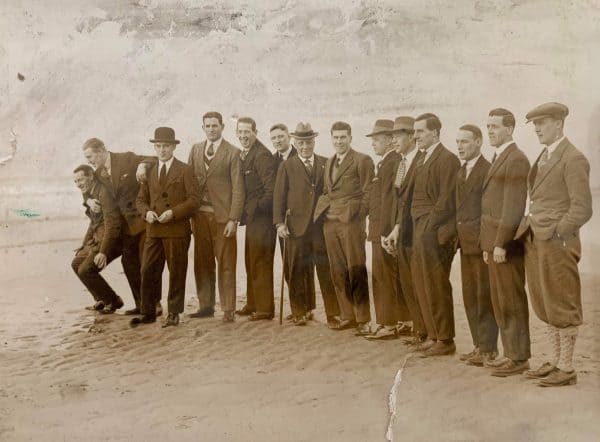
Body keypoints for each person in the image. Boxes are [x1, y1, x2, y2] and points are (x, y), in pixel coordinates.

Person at [516, 102, 592, 387]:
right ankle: (556, 360)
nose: (536, 128)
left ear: (559, 123)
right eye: (534, 124)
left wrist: (559, 233)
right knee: (545, 301)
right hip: (537, 240)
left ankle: (567, 367)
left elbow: (582, 208)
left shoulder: (573, 158)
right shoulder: (546, 155)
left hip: (557, 243)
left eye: (542, 123)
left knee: (563, 301)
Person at [82, 138, 161, 316]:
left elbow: (153, 159)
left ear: (102, 150)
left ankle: (155, 304)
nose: (89, 161)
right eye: (87, 159)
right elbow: (86, 187)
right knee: (128, 263)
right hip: (124, 227)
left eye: (90, 156)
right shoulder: (98, 173)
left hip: (141, 221)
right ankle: (141, 304)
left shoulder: (125, 158)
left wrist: (142, 166)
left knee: (147, 263)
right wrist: (88, 199)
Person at [131, 127, 200, 328]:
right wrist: (146, 213)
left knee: (176, 271)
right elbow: (140, 200)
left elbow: (194, 200)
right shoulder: (149, 170)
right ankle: (148, 312)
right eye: (158, 146)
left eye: (166, 146)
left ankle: (174, 313)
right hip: (154, 229)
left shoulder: (185, 169)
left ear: (173, 147)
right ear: (154, 147)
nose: (162, 150)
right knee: (147, 270)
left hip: (177, 229)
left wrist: (173, 213)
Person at [273, 122, 340, 327]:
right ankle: (300, 311)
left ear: (313, 141)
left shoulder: (325, 163)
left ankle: (333, 314)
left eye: (308, 142)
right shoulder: (287, 165)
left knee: (325, 269)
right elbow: (279, 197)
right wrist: (279, 224)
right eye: (301, 142)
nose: (304, 146)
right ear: (295, 142)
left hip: (320, 226)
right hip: (294, 226)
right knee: (296, 270)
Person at [481, 108, 531, 377]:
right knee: (500, 299)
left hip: (506, 244)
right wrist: (488, 245)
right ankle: (511, 353)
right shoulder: (500, 156)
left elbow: (512, 207)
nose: (490, 130)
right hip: (494, 242)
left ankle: (519, 357)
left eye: (495, 126)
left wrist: (500, 244)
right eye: (488, 126)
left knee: (511, 299)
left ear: (510, 129)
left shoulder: (516, 159)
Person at [314, 121, 374, 335]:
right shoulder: (329, 162)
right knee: (338, 271)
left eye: (343, 137)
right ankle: (347, 315)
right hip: (330, 223)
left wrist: (356, 217)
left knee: (356, 269)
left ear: (350, 138)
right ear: (331, 138)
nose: (339, 141)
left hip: (350, 225)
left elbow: (369, 194)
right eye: (335, 138)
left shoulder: (362, 160)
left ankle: (363, 319)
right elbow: (326, 192)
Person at [410, 113, 460, 357]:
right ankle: (433, 335)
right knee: (422, 282)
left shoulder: (447, 159)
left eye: (420, 131)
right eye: (415, 131)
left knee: (436, 284)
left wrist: (427, 228)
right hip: (422, 229)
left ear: (435, 133)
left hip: (435, 231)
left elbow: (446, 201)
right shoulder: (423, 158)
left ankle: (445, 339)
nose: (416, 136)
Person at [187, 112, 245, 323]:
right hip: (199, 217)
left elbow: (238, 189)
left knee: (226, 263)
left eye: (215, 125)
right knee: (202, 263)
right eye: (207, 126)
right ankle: (206, 306)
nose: (211, 129)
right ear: (203, 128)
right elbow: (189, 184)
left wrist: (233, 219)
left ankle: (228, 308)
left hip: (223, 219)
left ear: (222, 126)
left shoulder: (233, 152)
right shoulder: (195, 150)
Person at [454, 125, 498, 366]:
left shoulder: (486, 170)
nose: (460, 146)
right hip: (464, 243)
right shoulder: (461, 171)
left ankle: (489, 348)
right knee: (470, 294)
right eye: (458, 142)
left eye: (466, 142)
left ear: (479, 142)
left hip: (480, 243)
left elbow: (488, 211)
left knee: (484, 295)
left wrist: (486, 244)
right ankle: (478, 345)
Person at [364, 120, 410, 340]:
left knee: (383, 277)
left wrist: (383, 232)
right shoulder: (388, 162)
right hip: (384, 229)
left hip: (383, 230)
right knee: (393, 275)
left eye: (376, 139)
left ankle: (387, 323)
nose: (373, 144)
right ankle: (402, 320)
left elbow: (389, 200)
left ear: (389, 139)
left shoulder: (390, 162)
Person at [384, 116, 427, 346]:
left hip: (417, 232)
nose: (393, 140)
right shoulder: (400, 162)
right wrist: (395, 229)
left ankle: (427, 332)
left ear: (412, 136)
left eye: (398, 135)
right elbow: (399, 201)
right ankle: (419, 331)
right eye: (391, 136)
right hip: (402, 232)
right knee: (408, 284)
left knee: (420, 284)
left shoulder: (421, 160)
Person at [235, 117, 278, 321]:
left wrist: (253, 208)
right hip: (253, 220)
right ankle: (253, 304)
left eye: (247, 132)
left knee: (260, 261)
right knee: (251, 260)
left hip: (263, 220)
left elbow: (272, 191)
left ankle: (265, 309)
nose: (244, 136)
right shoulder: (247, 154)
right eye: (240, 132)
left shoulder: (261, 155)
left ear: (255, 132)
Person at [71, 165, 123, 313]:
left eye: (80, 179)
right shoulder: (89, 193)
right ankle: (100, 299)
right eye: (75, 181)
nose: (78, 184)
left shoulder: (103, 193)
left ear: (91, 176)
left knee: (86, 270)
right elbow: (93, 223)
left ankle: (113, 301)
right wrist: (84, 245)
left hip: (112, 240)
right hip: (99, 238)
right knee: (76, 263)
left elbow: (112, 225)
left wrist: (103, 251)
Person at [270, 123, 297, 262]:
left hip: (299, 217)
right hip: (282, 219)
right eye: (274, 138)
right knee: (287, 261)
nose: (277, 141)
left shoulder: (299, 156)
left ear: (289, 136)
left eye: (281, 136)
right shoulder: (271, 160)